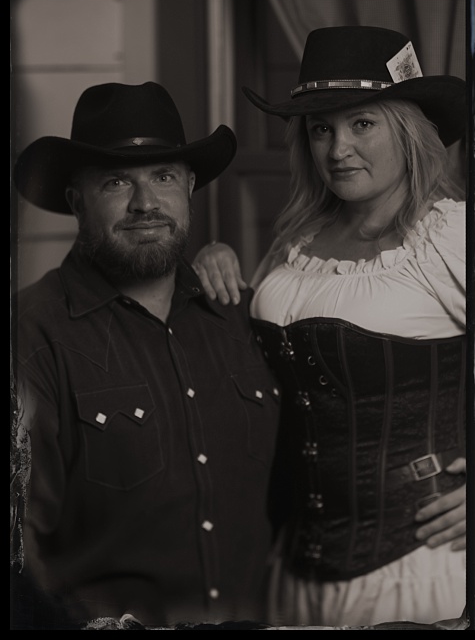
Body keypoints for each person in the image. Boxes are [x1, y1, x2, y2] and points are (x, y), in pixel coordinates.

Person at [190, 26, 468, 628]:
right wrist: (211, 271)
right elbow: (253, 375)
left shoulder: (450, 235)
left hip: (417, 568)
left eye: (362, 123)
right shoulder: (298, 243)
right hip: (293, 568)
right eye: (322, 129)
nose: (338, 148)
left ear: (407, 127)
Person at [12, 82, 280, 627]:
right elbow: (21, 552)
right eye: (116, 183)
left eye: (163, 178)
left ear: (189, 190)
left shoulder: (241, 315)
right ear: (75, 201)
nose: (145, 204)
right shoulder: (31, 334)